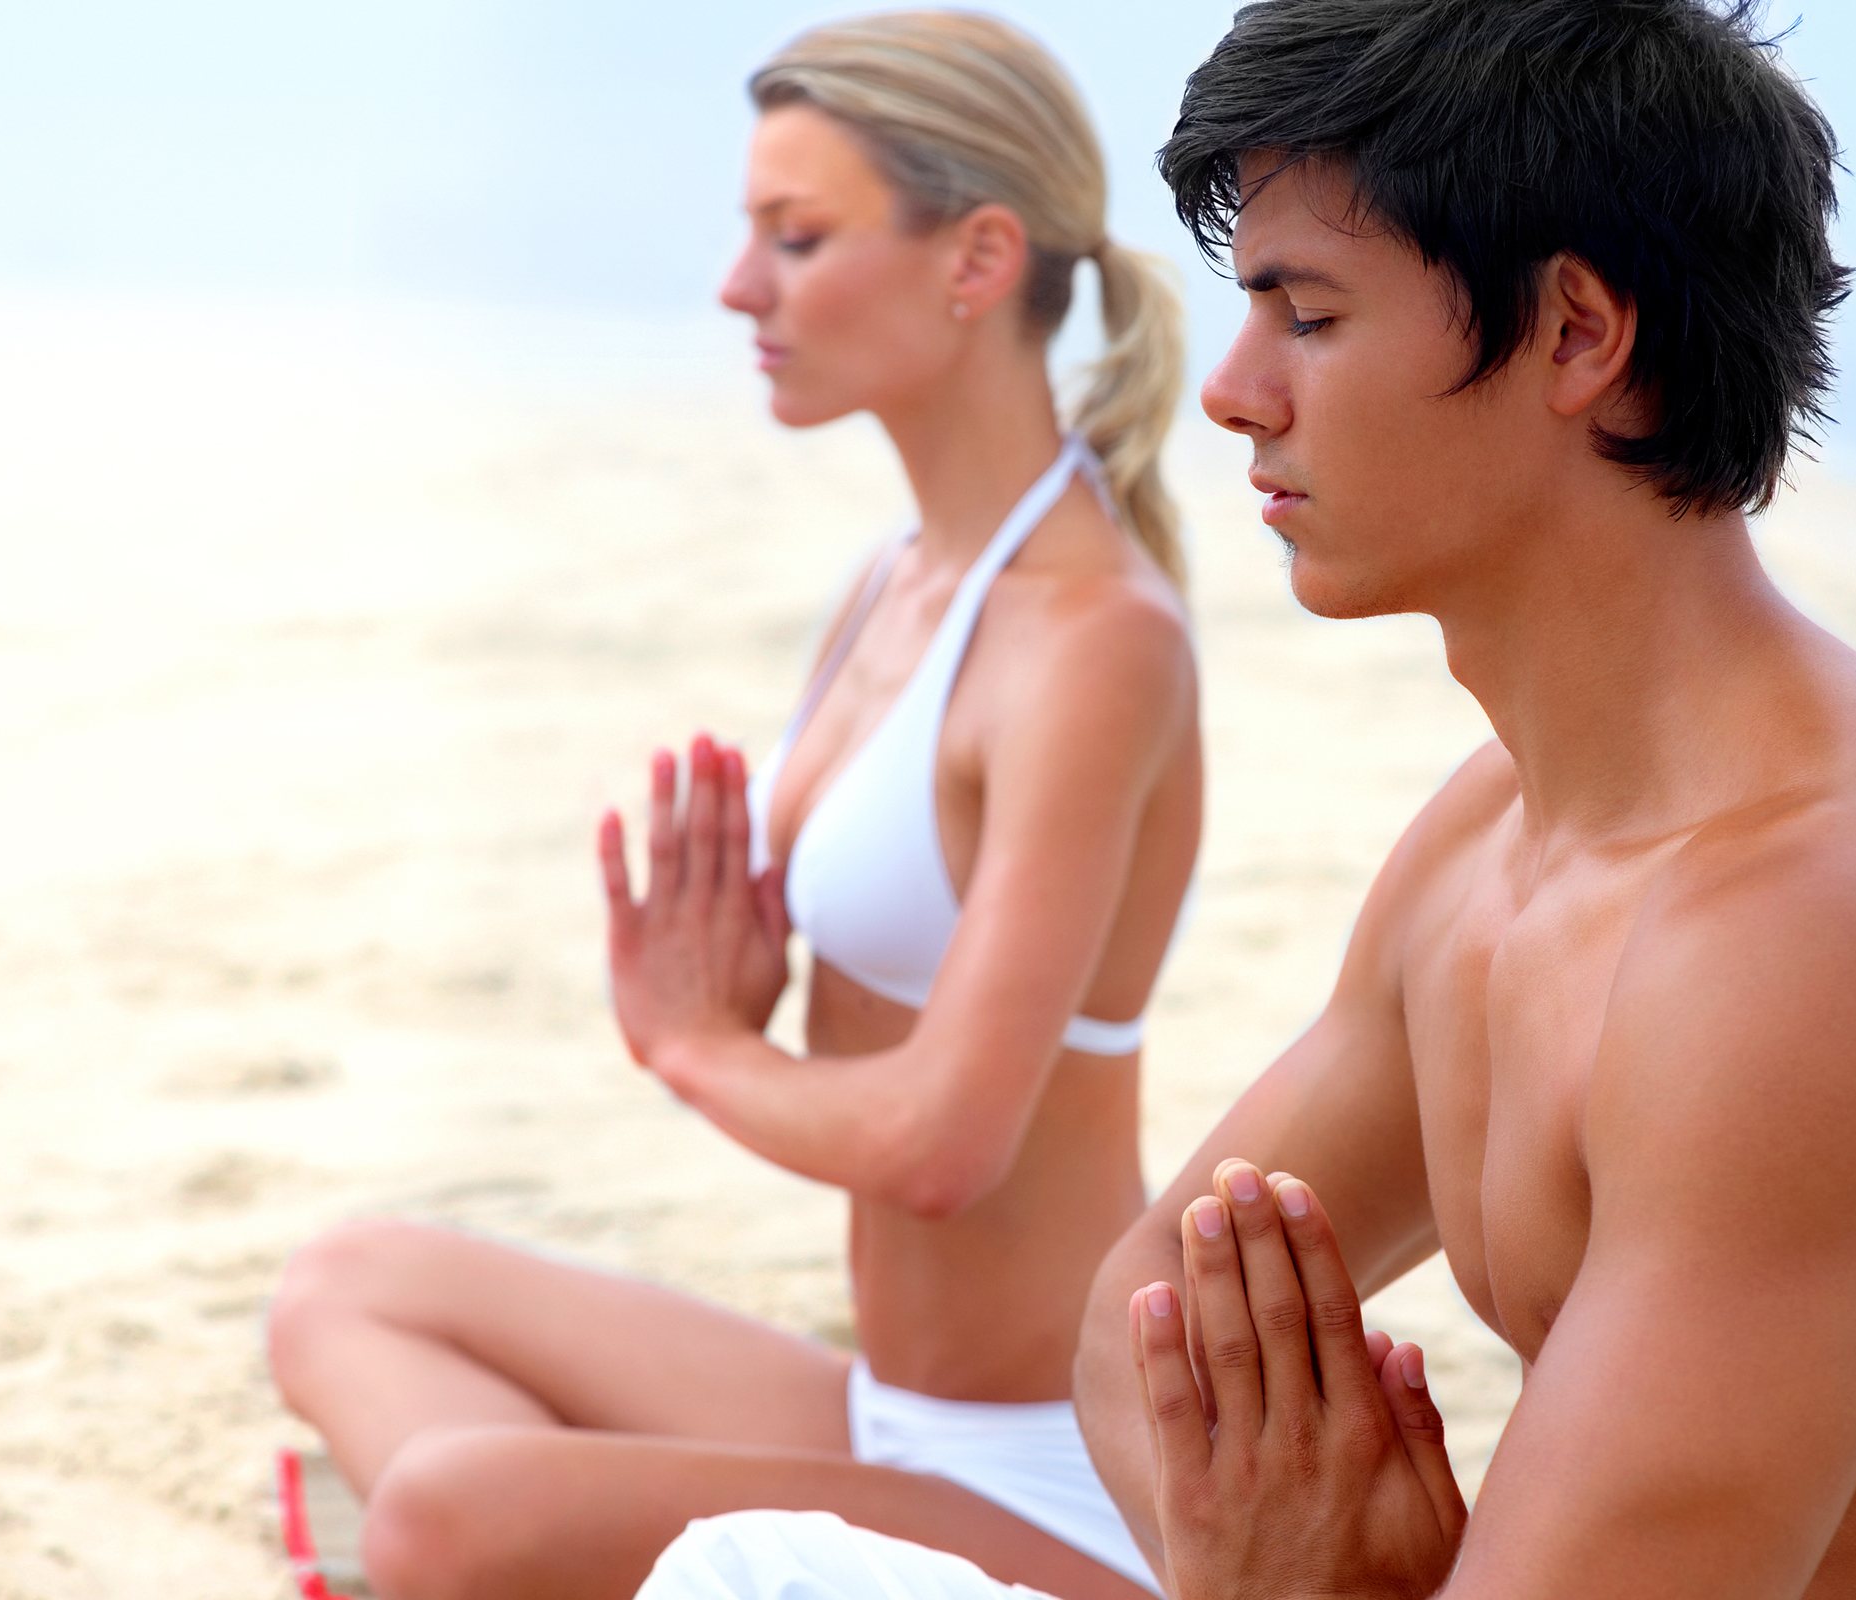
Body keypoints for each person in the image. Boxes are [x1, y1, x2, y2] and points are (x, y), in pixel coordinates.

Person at [638, 0, 1856, 1596]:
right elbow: (1133, 1320)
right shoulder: (1487, 843)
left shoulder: (1795, 937)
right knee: (746, 1569)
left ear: (1577, 335)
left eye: (1307, 314)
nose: (1231, 393)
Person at [265, 11, 1200, 1597]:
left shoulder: (1096, 636)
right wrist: (744, 968)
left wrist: (701, 1047)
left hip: (1055, 1484)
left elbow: (941, 1143)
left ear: (977, 259)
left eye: (796, 237)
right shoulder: (898, 579)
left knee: (440, 1511)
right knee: (346, 1287)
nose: (735, 286)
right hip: (888, 1419)